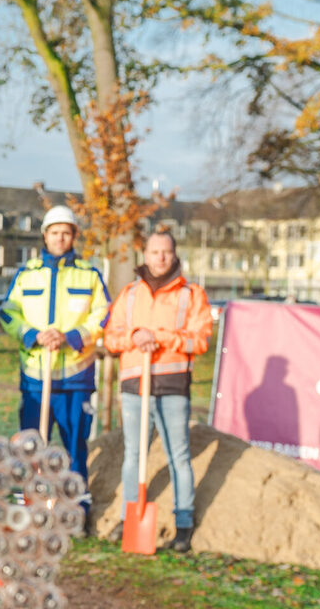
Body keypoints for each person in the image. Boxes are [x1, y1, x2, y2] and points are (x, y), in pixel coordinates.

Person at [104, 229, 212, 552]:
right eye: (154, 252)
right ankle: (129, 515)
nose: (160, 258)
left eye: (166, 252)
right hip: (135, 386)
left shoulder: (191, 295)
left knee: (178, 454)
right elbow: (111, 338)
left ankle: (183, 523)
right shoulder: (130, 295)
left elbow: (200, 339)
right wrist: (136, 335)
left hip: (173, 385)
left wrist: (161, 337)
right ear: (145, 255)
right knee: (133, 454)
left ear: (174, 255)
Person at [0, 205, 109, 479]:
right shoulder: (27, 274)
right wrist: (34, 336)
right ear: (45, 236)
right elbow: (8, 313)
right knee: (32, 449)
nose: (60, 238)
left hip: (76, 379)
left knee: (75, 448)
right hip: (36, 379)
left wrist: (71, 337)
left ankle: (78, 506)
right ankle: (33, 505)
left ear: (74, 236)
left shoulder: (90, 275)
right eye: (55, 232)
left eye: (66, 233)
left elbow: (104, 315)